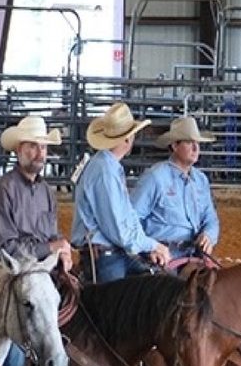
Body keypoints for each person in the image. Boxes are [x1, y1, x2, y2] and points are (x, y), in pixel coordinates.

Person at [0, 115, 71, 366]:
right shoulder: (3, 190)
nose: (39, 152)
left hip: (41, 272)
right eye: (33, 146)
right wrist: (50, 249)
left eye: (43, 146)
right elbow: (5, 245)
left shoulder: (47, 192)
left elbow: (51, 235)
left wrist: (61, 251)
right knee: (19, 343)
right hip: (10, 275)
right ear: (19, 150)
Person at [71, 102, 169, 282]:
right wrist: (151, 245)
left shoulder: (108, 166)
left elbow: (127, 218)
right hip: (107, 256)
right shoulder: (105, 171)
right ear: (127, 139)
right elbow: (118, 228)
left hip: (114, 252)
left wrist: (148, 246)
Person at [131, 116, 221, 266]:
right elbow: (133, 218)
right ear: (174, 146)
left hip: (194, 253)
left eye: (197, 142)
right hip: (164, 256)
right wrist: (150, 247)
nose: (195, 148)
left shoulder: (200, 180)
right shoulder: (155, 177)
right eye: (189, 142)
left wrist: (208, 235)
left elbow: (210, 219)